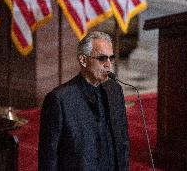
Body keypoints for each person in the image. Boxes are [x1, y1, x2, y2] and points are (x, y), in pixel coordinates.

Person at [38, 31, 129, 171]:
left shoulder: (114, 90)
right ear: (83, 60)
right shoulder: (59, 99)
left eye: (111, 58)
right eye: (102, 58)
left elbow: (122, 141)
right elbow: (49, 156)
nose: (108, 65)